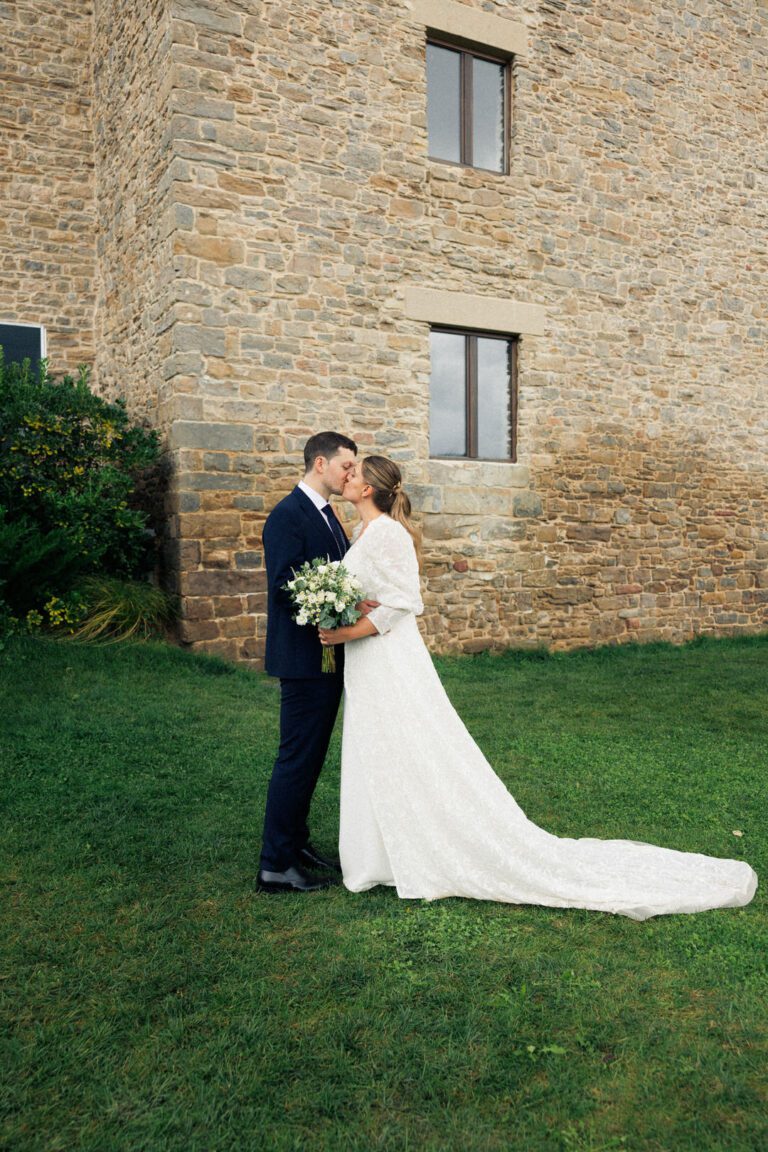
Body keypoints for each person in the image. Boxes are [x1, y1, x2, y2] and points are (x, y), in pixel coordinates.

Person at [318, 456, 758, 919]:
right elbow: (382, 594)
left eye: (355, 473)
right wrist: (353, 609)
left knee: (407, 745)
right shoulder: (365, 533)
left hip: (390, 659)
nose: (347, 477)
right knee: (381, 747)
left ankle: (423, 845)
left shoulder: (388, 532)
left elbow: (407, 602)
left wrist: (346, 632)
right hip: (371, 660)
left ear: (369, 489)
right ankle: (382, 853)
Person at [257, 431, 361, 894]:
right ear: (320, 463)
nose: (351, 475)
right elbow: (283, 586)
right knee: (296, 759)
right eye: (346, 467)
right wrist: (330, 603)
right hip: (303, 659)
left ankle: (295, 843)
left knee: (311, 758)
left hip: (327, 658)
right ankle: (275, 864)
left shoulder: (327, 514)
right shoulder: (287, 515)